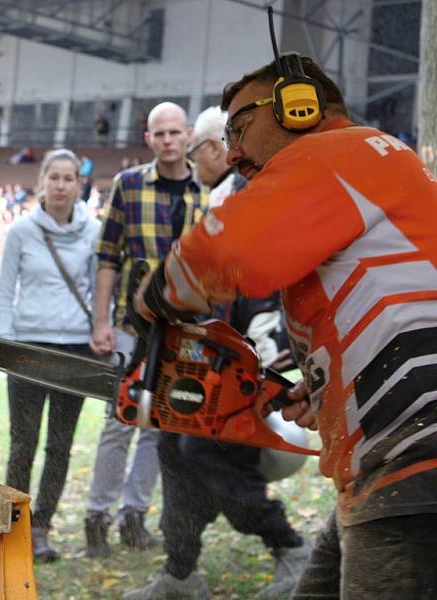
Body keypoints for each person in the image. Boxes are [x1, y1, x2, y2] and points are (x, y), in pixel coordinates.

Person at [132, 56, 437, 599]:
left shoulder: (338, 152)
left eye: (241, 130)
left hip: (415, 462)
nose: (232, 154)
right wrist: (326, 392)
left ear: (300, 107)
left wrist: (157, 295)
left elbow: (230, 250)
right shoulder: (372, 164)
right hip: (390, 465)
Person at [123, 106, 310, 600]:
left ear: (211, 149)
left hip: (257, 360)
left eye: (193, 152)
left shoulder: (246, 194)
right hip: (221, 359)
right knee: (173, 445)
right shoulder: (220, 197)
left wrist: (265, 370)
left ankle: (290, 547)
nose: (195, 162)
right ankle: (181, 572)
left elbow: (261, 286)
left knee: (206, 450)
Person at [85, 102, 207, 557]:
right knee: (121, 421)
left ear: (189, 134)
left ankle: (133, 516)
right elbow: (106, 256)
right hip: (131, 325)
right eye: (161, 133)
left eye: (176, 132)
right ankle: (96, 517)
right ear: (149, 137)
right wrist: (100, 321)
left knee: (160, 424)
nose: (169, 140)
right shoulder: (129, 185)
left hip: (183, 329)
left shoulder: (205, 192)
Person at [0, 148, 101, 562]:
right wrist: (6, 344)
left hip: (74, 348)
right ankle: (14, 524)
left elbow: (98, 288)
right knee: (24, 441)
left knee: (60, 444)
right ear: (42, 180)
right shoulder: (22, 231)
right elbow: (5, 291)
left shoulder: (93, 230)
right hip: (29, 347)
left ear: (78, 183)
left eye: (68, 178)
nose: (60, 185)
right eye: (53, 177)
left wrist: (100, 332)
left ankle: (42, 528)